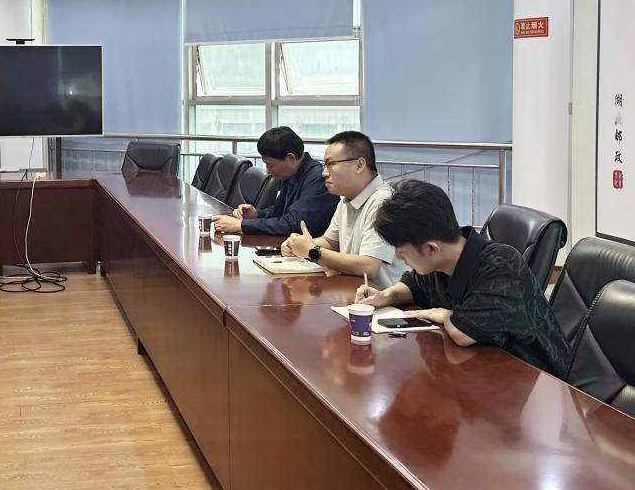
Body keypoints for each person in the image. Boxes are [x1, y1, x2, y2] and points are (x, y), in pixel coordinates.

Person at [355, 179, 570, 376]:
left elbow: (463, 333)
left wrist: (443, 315)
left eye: (401, 251)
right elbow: (415, 285)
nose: (397, 257)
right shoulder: (441, 260)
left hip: (538, 380)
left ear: (431, 248)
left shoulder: (501, 263)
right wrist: (385, 296)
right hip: (482, 371)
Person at [281, 130, 407, 288]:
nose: (324, 173)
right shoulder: (346, 199)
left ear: (359, 165)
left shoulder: (383, 201)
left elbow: (369, 266)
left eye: (330, 164)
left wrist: (312, 250)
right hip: (353, 292)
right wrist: (297, 245)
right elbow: (330, 242)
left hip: (383, 298)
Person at [213, 127, 337, 236]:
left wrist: (241, 225)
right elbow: (281, 211)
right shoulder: (290, 172)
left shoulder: (317, 179)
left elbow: (293, 224)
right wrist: (257, 214)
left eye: (270, 164)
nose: (268, 171)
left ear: (290, 158)